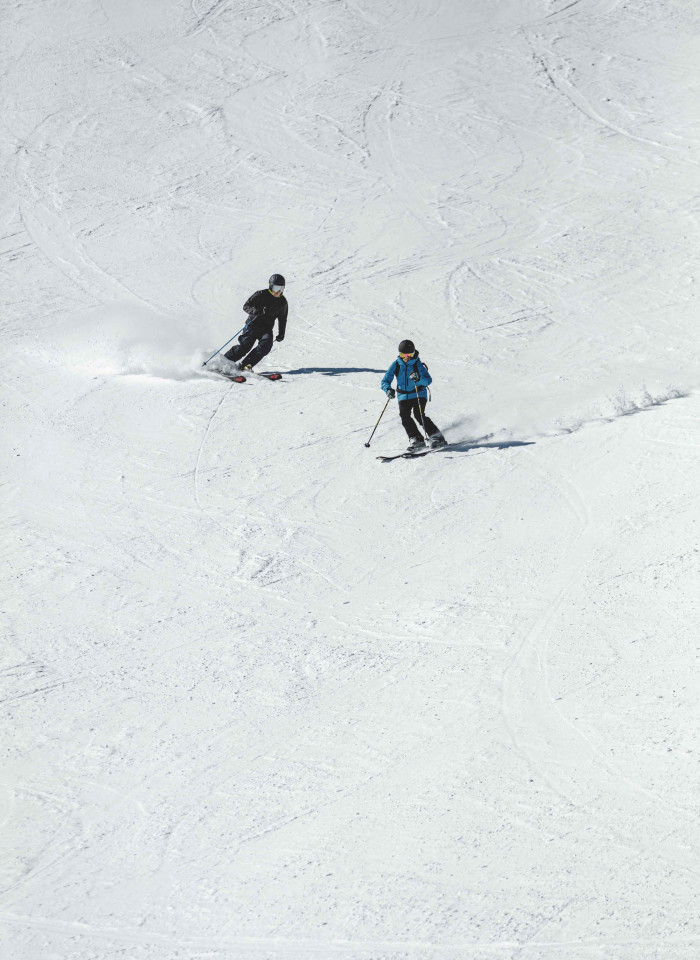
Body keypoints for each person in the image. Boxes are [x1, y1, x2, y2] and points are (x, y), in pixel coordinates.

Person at [381, 340, 446, 452]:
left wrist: (418, 379)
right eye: (403, 355)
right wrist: (387, 389)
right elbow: (385, 380)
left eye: (409, 355)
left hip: (418, 393)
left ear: (413, 353)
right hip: (403, 395)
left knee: (419, 414)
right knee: (404, 416)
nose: (406, 357)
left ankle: (437, 437)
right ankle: (416, 439)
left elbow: (428, 380)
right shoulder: (396, 364)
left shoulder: (417, 364)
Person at [224, 273, 288, 370]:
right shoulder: (260, 294)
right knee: (245, 346)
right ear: (271, 286)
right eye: (276, 288)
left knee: (266, 345)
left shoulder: (282, 302)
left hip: (266, 328)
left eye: (281, 288)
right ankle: (224, 362)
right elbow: (246, 306)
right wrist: (255, 311)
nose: (278, 291)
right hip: (252, 324)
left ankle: (245, 365)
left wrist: (281, 333)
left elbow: (282, 318)